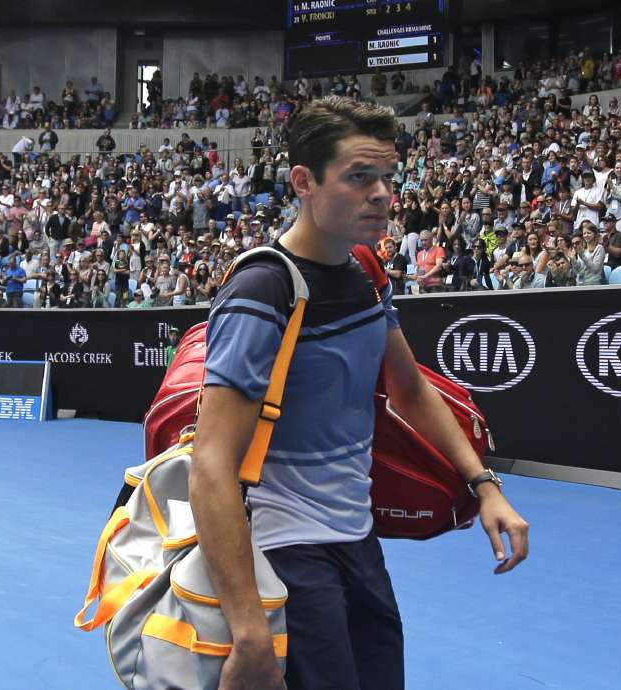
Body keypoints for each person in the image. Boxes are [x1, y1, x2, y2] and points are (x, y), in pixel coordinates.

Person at [190, 97, 528, 690]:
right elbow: (210, 464)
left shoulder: (365, 271)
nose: (381, 194)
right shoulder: (261, 290)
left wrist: (485, 485)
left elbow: (410, 389)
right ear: (304, 182)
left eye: (387, 178)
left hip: (357, 541)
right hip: (284, 549)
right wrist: (249, 632)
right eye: (359, 177)